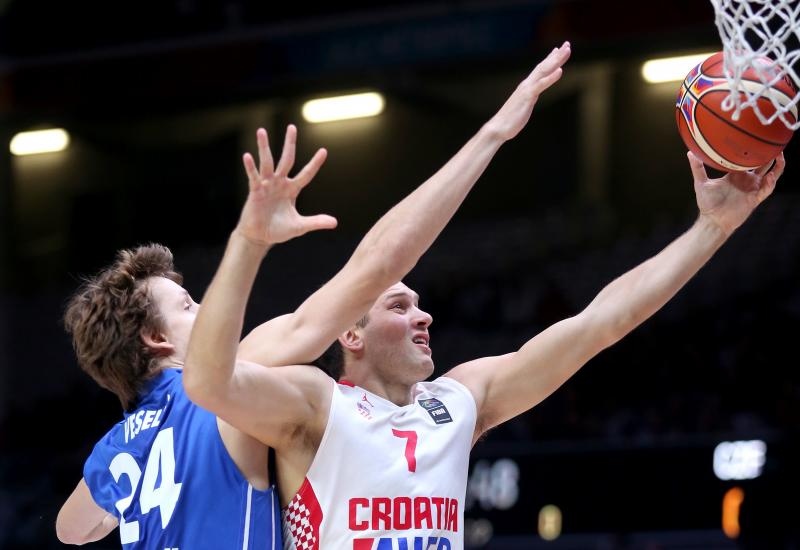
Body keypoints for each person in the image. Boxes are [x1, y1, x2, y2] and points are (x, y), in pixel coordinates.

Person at [182, 66, 785, 550]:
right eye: (399, 305)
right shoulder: (316, 404)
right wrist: (249, 242)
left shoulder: (461, 400)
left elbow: (601, 324)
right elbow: (208, 383)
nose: (424, 316)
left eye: (419, 305)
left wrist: (713, 229)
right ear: (352, 335)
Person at [54, 41, 573, 550]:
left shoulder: (117, 450)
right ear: (156, 339)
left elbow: (72, 529)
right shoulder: (230, 375)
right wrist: (492, 134)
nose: (207, 310)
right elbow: (379, 267)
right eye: (189, 307)